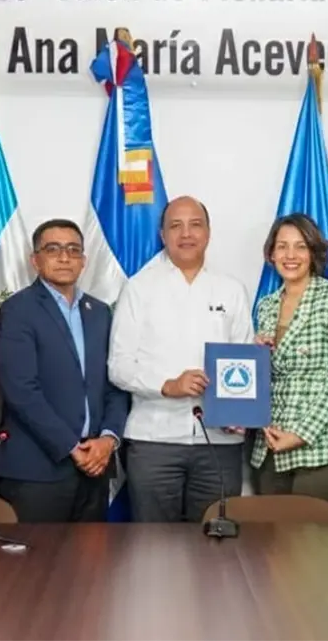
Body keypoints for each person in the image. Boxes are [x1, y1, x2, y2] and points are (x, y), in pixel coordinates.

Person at [109, 196, 254, 522]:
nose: (186, 234)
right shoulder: (139, 288)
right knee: (154, 543)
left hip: (219, 441)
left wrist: (240, 409)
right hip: (154, 440)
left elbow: (243, 361)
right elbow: (118, 366)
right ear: (163, 235)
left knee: (215, 540)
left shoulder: (231, 290)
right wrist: (168, 385)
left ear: (208, 233)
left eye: (195, 224)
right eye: (176, 226)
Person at [0, 219, 129, 522]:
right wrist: (70, 447)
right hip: (36, 471)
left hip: (95, 465)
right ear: (35, 260)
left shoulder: (100, 312)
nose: (64, 257)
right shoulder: (17, 310)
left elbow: (117, 382)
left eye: (73, 250)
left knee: (92, 554)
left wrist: (108, 439)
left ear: (84, 261)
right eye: (53, 249)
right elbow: (21, 390)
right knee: (35, 554)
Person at [250, 214, 328, 512]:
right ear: (271, 254)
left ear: (313, 253)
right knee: (271, 540)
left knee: (312, 541)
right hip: (270, 447)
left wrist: (299, 434)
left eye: (300, 246)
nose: (290, 255)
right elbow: (268, 379)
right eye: (282, 246)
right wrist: (256, 355)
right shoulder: (266, 305)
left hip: (320, 448)